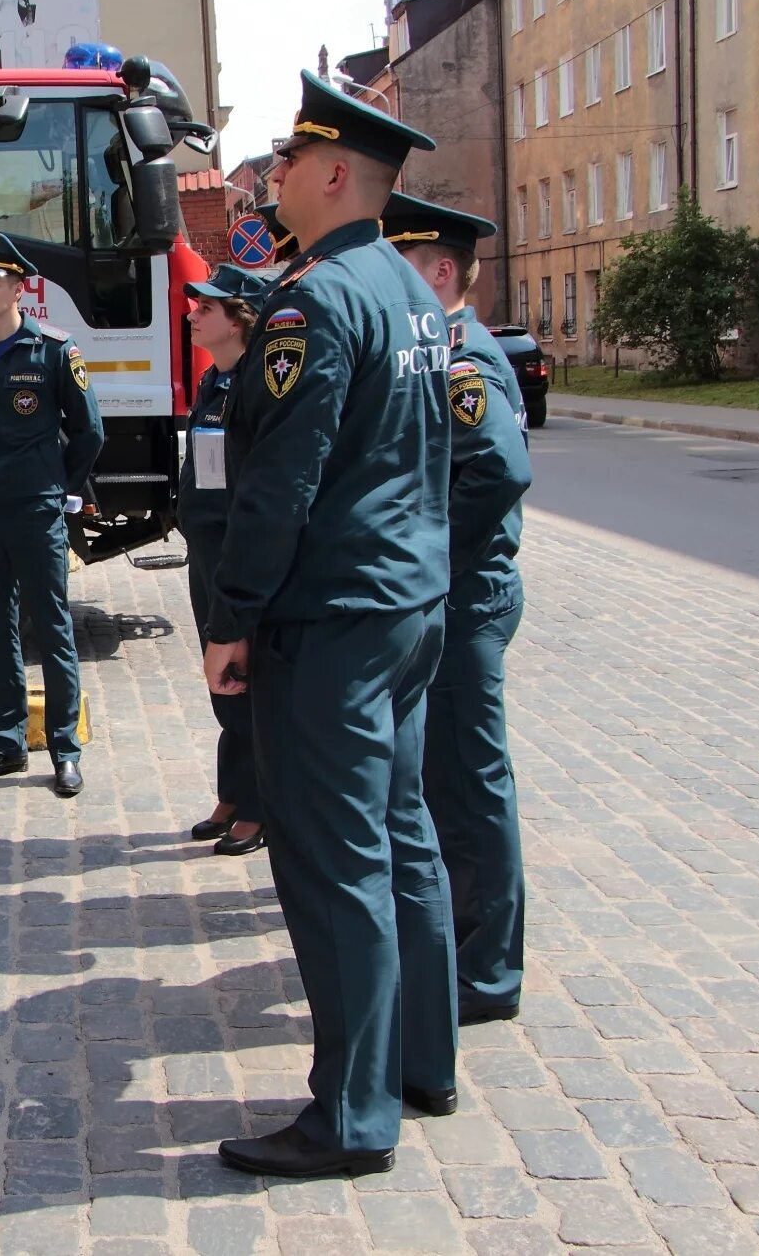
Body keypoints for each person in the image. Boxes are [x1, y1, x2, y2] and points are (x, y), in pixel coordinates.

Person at [203, 72, 457, 1179]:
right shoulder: (407, 290)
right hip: (406, 604)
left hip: (335, 618)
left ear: (337, 174)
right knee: (399, 834)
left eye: (289, 163)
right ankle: (417, 1061)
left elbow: (278, 484)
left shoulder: (317, 302)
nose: (271, 177)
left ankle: (350, 1116)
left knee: (333, 860)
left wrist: (230, 616)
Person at [382, 192, 533, 1026]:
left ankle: (486, 971)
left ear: (440, 272)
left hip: (468, 592)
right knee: (446, 777)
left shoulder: (463, 358)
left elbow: (500, 473)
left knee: (473, 784)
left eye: (404, 269)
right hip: (452, 588)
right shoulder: (438, 349)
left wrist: (430, 547)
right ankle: (461, 949)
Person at [0, 231, 103, 797]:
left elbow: (89, 432)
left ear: (20, 287)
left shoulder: (56, 351)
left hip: (37, 511)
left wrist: (61, 486)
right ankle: (8, 743)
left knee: (54, 628)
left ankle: (65, 748)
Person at [178, 264, 271, 857]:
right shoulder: (214, 381)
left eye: (206, 307)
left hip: (239, 554)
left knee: (250, 680)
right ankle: (235, 791)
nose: (193, 313)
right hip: (206, 553)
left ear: (240, 319)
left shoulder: (257, 386)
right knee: (224, 682)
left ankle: (263, 805)